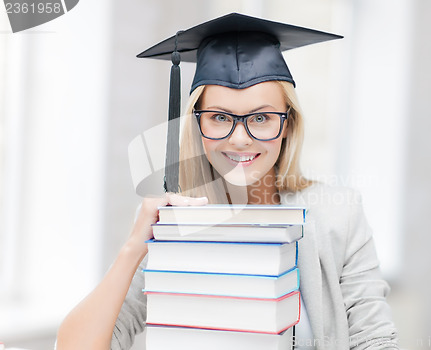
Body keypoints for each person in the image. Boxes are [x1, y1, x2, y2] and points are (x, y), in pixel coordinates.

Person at [56, 13, 399, 350]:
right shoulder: (174, 224)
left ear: (288, 126)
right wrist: (133, 249)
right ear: (196, 125)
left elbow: (375, 340)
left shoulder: (338, 215)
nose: (239, 139)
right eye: (220, 117)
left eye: (261, 118)